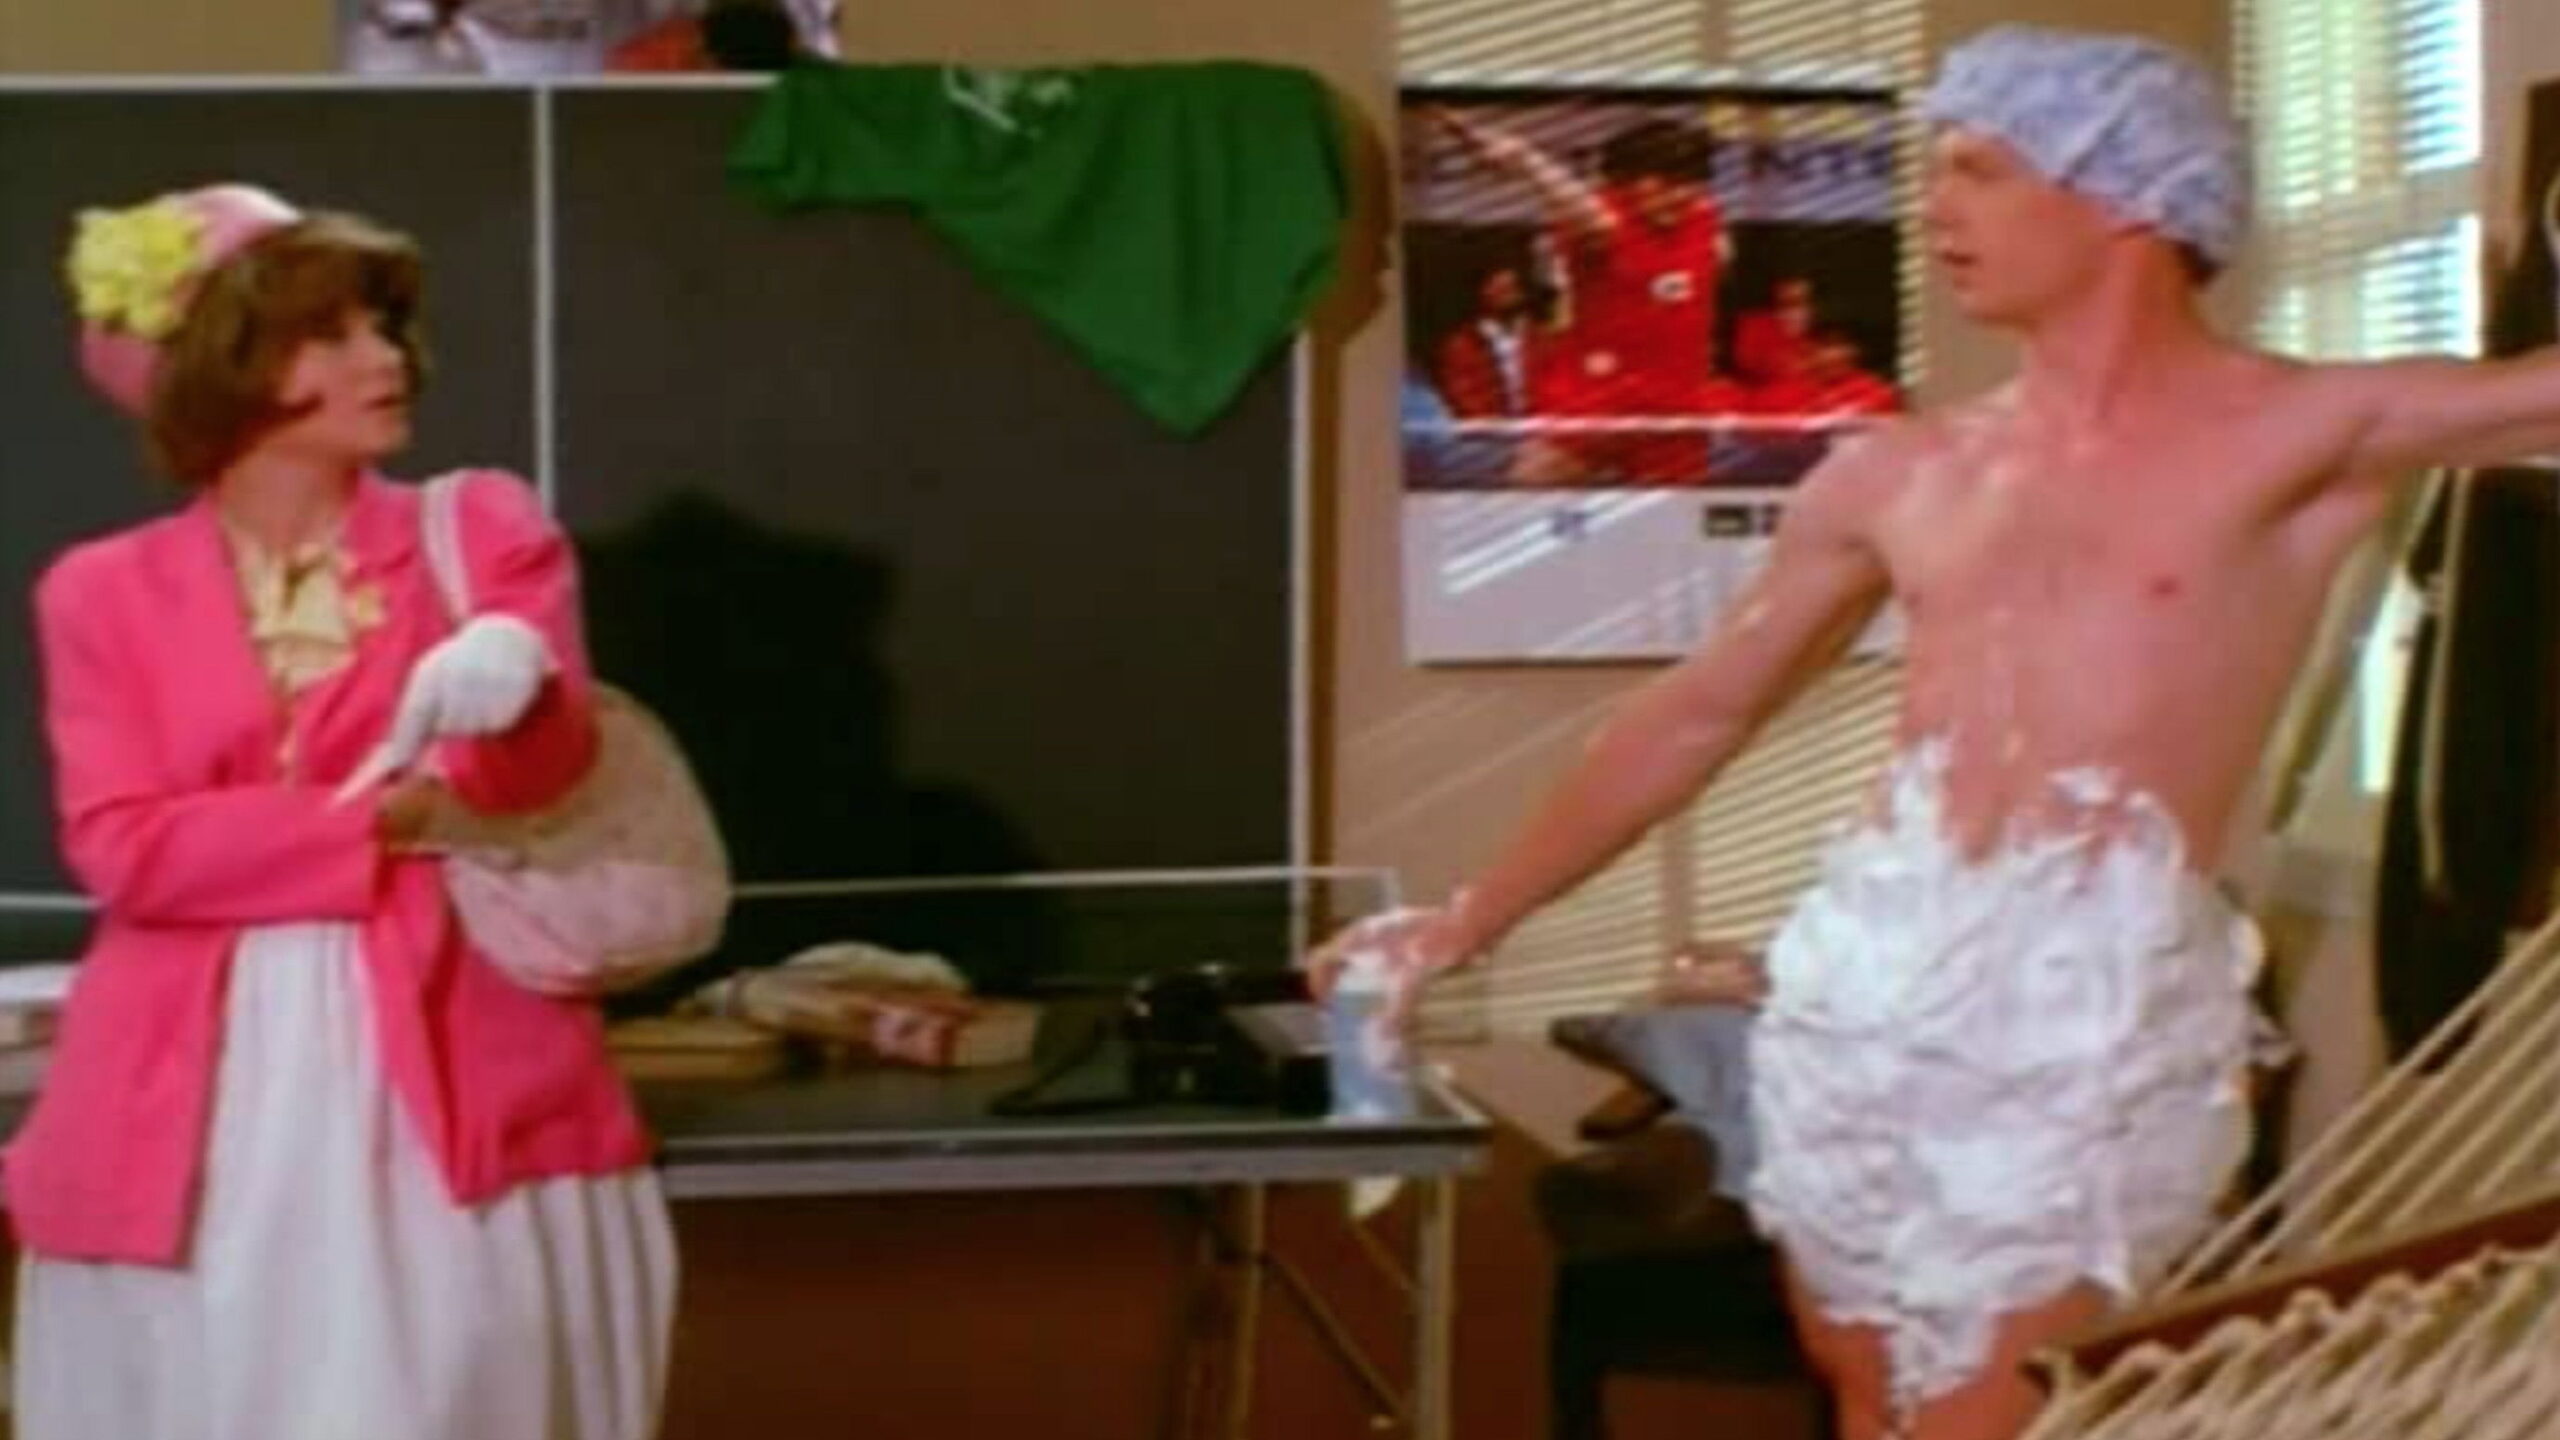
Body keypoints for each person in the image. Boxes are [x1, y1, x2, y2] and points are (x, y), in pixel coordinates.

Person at [1316, 25, 2560, 1440]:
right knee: (1870, 1393)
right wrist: (1463, 923)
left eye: (1980, 170)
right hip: (1864, 986)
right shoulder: (1899, 469)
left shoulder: (2306, 429)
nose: (1939, 209)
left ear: (2124, 193)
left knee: (1986, 1410)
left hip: (2084, 1014)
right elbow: (1697, 710)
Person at [10, 183, 675, 1439]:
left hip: (451, 1059)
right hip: (186, 1097)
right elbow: (127, 848)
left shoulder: (481, 532)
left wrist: (516, 687)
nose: (387, 359)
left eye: (384, 325)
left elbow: (531, 778)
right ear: (219, 370)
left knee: (442, 1387)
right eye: (331, 334)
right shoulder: (100, 591)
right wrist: (383, 821)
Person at [1439, 108, 1733, 482]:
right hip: (1598, 404)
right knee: (1523, 495)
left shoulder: (1708, 228)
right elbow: (1566, 195)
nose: (1679, 195)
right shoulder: (1604, 223)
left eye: (1690, 183)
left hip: (1675, 415)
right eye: (1664, 183)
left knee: (1677, 516)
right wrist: (1521, 157)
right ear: (1624, 182)